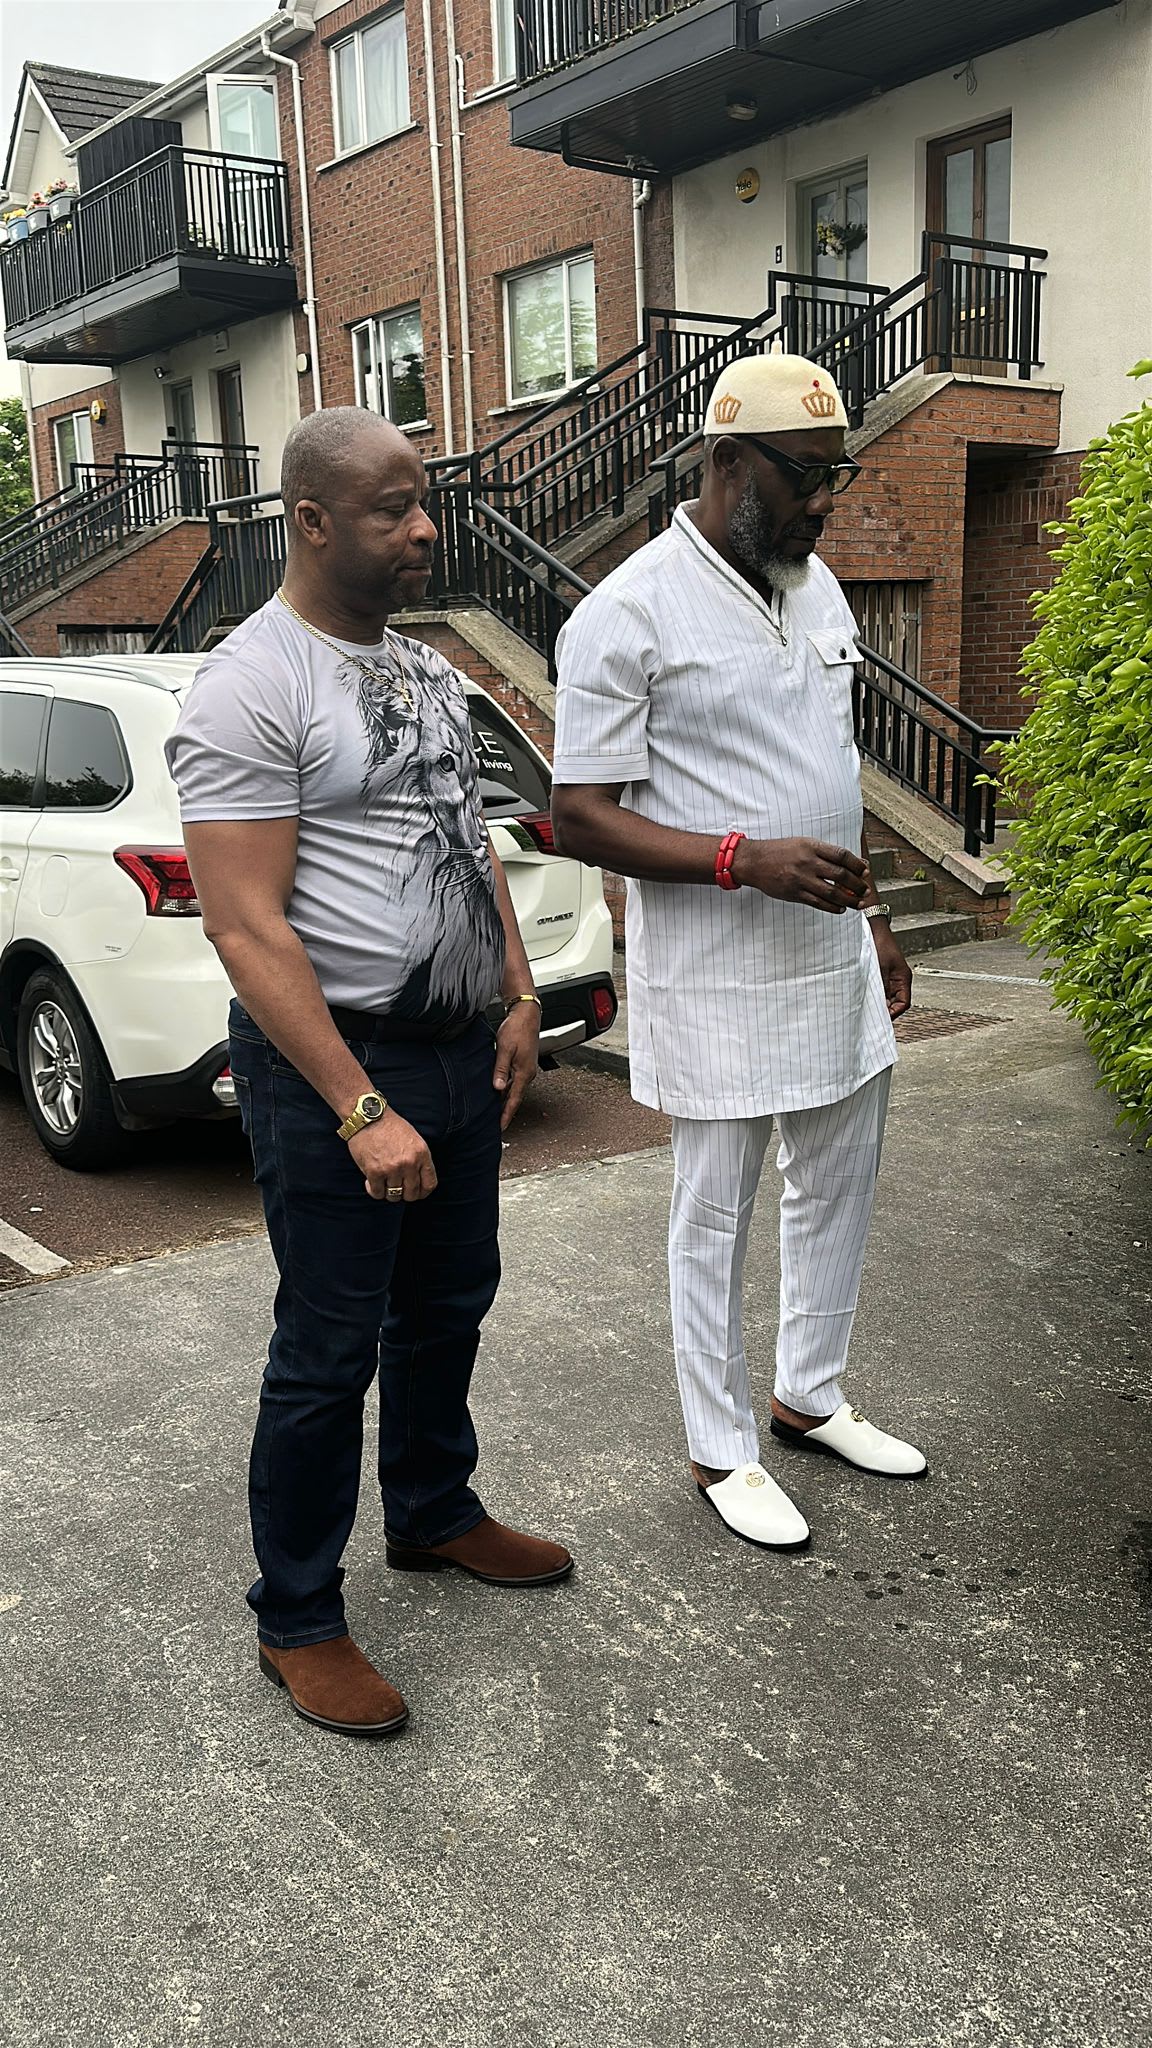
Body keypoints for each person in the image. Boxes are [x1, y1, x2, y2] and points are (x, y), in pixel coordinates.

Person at [166, 408, 571, 1741]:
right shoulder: (249, 683)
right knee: (328, 1349)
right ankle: (296, 1617)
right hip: (337, 1069)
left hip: (459, 1050)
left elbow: (472, 840)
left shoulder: (430, 670)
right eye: (394, 507)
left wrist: (518, 993)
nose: (425, 528)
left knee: (450, 1304)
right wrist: (358, 1106)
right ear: (312, 520)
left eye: (424, 501)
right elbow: (245, 927)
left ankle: (434, 1511)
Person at [550, 347, 926, 1554]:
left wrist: (876, 918)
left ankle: (809, 1392)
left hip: (830, 954)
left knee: (840, 1179)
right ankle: (721, 1445)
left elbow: (835, 769)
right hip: (717, 970)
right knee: (715, 1209)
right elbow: (578, 814)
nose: (826, 501)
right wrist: (739, 858)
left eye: (836, 474)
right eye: (806, 475)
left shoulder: (817, 591)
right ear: (726, 462)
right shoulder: (625, 614)